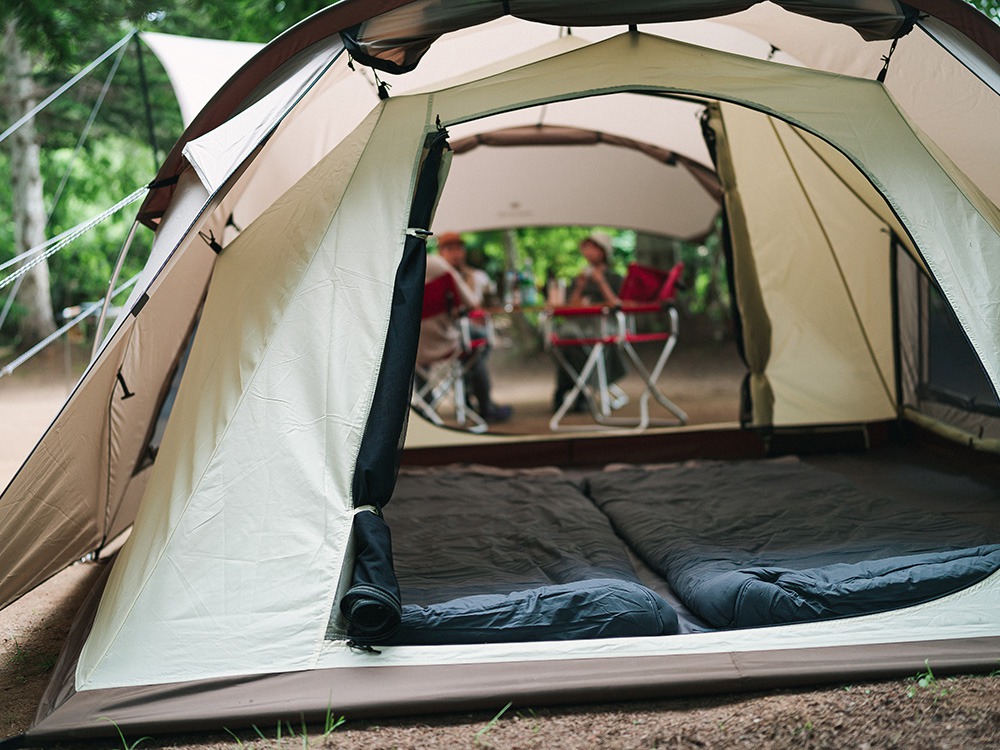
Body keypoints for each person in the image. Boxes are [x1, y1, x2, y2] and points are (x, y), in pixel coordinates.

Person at [417, 233, 513, 424]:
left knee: (421, 356)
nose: (456, 254)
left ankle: (427, 405)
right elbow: (472, 303)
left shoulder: (408, 271)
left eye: (459, 248)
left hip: (415, 348)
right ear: (440, 252)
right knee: (479, 340)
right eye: (449, 249)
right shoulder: (443, 269)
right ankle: (485, 405)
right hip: (448, 341)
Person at [552, 232, 627, 412]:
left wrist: (601, 282)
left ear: (603, 251)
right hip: (579, 324)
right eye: (587, 247)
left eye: (593, 247)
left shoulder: (615, 278)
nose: (589, 252)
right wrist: (579, 287)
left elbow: (618, 305)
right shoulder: (580, 278)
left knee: (574, 341)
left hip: (604, 324)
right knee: (564, 338)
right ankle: (581, 389)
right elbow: (569, 310)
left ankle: (570, 390)